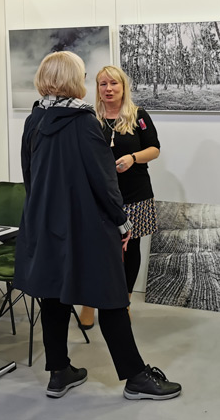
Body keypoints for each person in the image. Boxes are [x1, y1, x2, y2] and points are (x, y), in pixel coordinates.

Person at [13, 51, 181, 401]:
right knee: (112, 296)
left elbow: (30, 175)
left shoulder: (34, 119)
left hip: (45, 222)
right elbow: (104, 183)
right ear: (73, 80)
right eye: (84, 75)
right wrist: (122, 223)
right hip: (88, 225)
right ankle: (135, 377)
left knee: (53, 295)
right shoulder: (85, 122)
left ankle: (59, 372)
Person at [78, 65, 160, 330]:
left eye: (114, 83)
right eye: (103, 84)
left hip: (135, 194)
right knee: (93, 249)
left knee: (130, 249)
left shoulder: (138, 116)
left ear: (124, 87)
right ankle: (89, 302)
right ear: (97, 89)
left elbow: (154, 149)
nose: (108, 89)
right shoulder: (89, 118)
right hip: (98, 196)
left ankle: (124, 302)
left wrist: (133, 158)